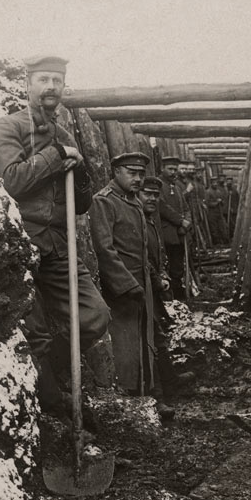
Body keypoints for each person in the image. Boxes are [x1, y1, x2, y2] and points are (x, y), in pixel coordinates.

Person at [0, 54, 110, 419]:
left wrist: (81, 169)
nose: (51, 87)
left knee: (94, 316)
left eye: (58, 80)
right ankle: (53, 404)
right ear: (27, 84)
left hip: (57, 247)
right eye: (43, 79)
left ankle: (54, 369)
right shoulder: (6, 128)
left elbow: (82, 204)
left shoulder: (65, 135)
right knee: (34, 331)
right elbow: (11, 181)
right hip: (19, 249)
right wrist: (56, 156)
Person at [89, 152, 156, 396]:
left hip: (140, 282)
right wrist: (127, 285)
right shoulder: (104, 202)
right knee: (123, 341)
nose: (138, 179)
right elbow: (104, 249)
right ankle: (126, 394)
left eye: (141, 174)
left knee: (142, 338)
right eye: (132, 173)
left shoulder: (133, 201)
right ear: (116, 172)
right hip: (120, 287)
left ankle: (144, 390)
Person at [138, 177, 196, 415]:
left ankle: (170, 381)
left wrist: (161, 275)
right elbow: (140, 256)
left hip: (151, 286)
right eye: (146, 193)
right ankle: (157, 395)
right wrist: (157, 279)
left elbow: (154, 254)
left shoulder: (149, 219)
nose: (151, 198)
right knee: (148, 340)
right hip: (137, 287)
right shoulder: (136, 217)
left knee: (158, 335)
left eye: (155, 194)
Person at [157, 156, 192, 300]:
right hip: (165, 234)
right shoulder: (158, 186)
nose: (173, 172)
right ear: (162, 168)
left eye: (175, 169)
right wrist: (180, 221)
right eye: (170, 169)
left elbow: (186, 208)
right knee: (166, 265)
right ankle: (168, 297)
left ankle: (178, 295)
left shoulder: (177, 187)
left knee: (178, 266)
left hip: (179, 235)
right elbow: (162, 207)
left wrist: (187, 222)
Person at [205, 178, 229, 245]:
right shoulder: (208, 192)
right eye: (213, 183)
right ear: (211, 183)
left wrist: (221, 202)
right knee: (214, 228)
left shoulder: (218, 191)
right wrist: (216, 202)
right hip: (212, 213)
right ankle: (216, 242)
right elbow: (208, 203)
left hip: (219, 212)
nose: (215, 184)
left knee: (221, 227)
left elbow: (223, 201)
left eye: (216, 183)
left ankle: (223, 241)